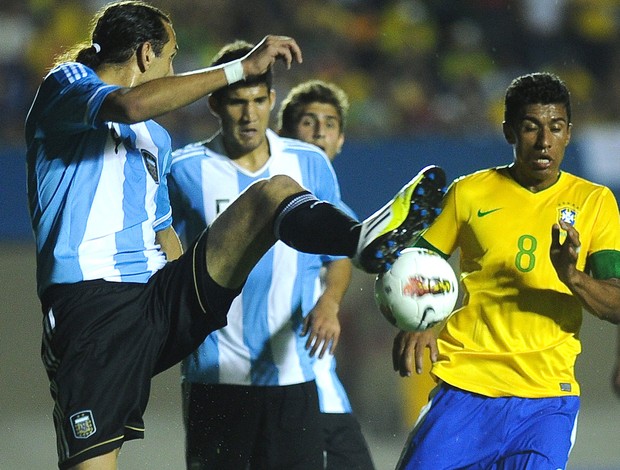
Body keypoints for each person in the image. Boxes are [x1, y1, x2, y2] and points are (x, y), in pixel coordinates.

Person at [24, 2, 447, 469]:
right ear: (146, 54)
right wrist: (242, 68)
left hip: (155, 301)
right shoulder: (66, 85)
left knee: (274, 192)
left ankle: (359, 237)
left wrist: (188, 295)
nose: (171, 66)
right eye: (170, 56)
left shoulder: (155, 140)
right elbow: (129, 103)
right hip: (92, 307)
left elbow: (164, 232)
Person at [392, 72, 620, 470]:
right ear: (508, 132)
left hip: (547, 398)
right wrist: (419, 318)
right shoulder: (469, 193)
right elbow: (416, 265)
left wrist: (574, 277)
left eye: (556, 127)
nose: (544, 141)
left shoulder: (595, 201)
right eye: (531, 127)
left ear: (569, 133)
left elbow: (616, 303)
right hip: (466, 386)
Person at [278, 79, 375, 469]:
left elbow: (338, 259)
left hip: (315, 372)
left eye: (330, 123)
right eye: (308, 121)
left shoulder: (340, 215)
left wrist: (330, 302)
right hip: (253, 376)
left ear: (341, 140)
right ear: (283, 133)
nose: (320, 131)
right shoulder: (260, 196)